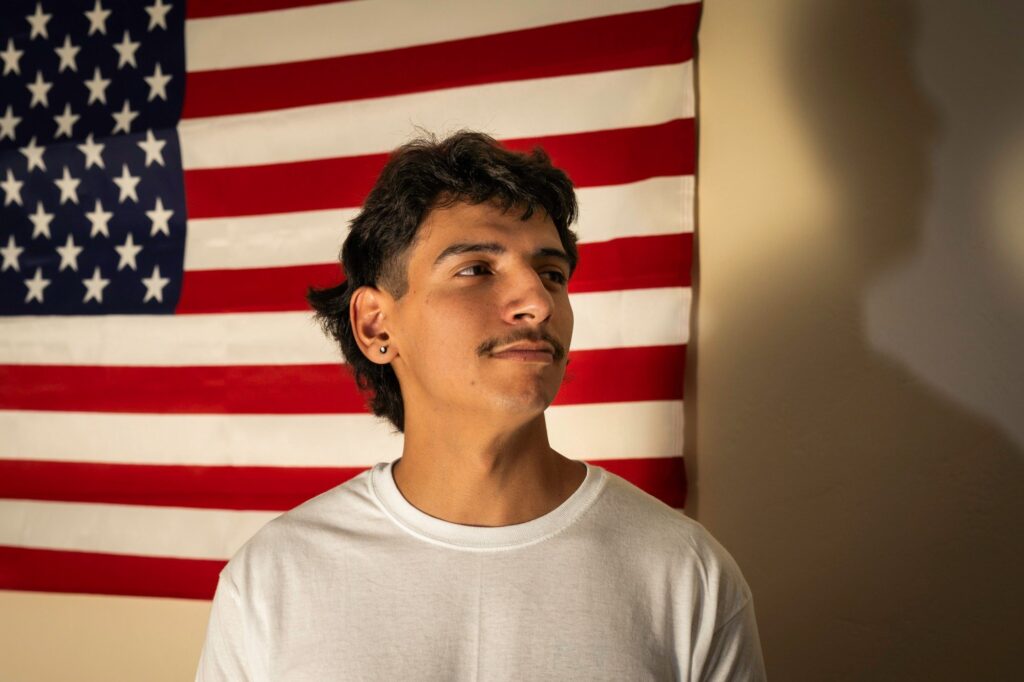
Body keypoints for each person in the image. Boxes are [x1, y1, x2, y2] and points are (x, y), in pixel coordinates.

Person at [195, 130, 767, 681]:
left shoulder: (686, 573)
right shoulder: (274, 578)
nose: (538, 302)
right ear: (376, 325)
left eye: (551, 274)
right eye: (476, 270)